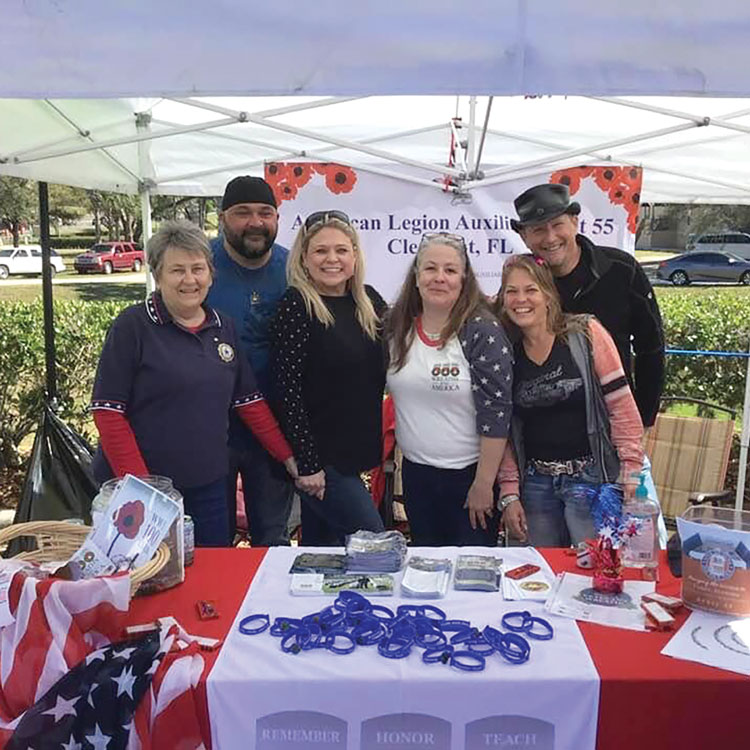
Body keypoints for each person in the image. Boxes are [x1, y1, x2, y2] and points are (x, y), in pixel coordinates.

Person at [91, 220, 297, 547]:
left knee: (210, 574)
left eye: (198, 269)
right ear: (157, 274)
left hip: (209, 484)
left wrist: (289, 457)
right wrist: (143, 488)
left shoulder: (222, 327)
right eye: (177, 270)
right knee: (147, 581)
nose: (190, 280)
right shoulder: (133, 326)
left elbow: (249, 402)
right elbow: (108, 411)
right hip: (141, 490)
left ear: (211, 274)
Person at [510, 183, 667, 544]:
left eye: (557, 225)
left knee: (634, 547)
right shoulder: (530, 286)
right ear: (525, 235)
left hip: (615, 438)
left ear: (575, 222)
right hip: (549, 458)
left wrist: (641, 423)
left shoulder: (621, 269)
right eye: (538, 229)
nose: (550, 237)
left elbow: (651, 347)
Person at [495, 254, 644, 547]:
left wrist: (631, 469)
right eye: (511, 291)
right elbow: (504, 430)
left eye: (530, 290)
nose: (520, 299)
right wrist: (509, 491)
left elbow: (621, 406)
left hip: (590, 481)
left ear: (548, 295)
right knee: (539, 575)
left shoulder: (586, 335)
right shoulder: (505, 350)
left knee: (594, 571)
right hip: (536, 484)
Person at [385, 232, 513, 546]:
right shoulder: (396, 327)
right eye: (430, 269)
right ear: (416, 276)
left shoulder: (482, 330)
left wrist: (484, 483)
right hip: (417, 476)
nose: (439, 278)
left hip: (470, 478)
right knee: (426, 568)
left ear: (464, 278)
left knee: (470, 577)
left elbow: (497, 413)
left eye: (450, 270)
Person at [269, 210, 386, 545]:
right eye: (321, 250)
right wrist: (307, 465)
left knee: (324, 557)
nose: (331, 259)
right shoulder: (297, 305)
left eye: (341, 250)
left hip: (354, 454)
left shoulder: (370, 302)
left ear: (354, 255)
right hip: (321, 462)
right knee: (375, 545)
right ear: (304, 258)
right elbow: (286, 391)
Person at [206, 176, 294, 546]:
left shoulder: (294, 269)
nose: (255, 222)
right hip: (210, 426)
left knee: (272, 534)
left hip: (274, 426)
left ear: (277, 217)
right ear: (223, 217)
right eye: (242, 213)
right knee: (212, 537)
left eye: (265, 213)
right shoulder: (201, 265)